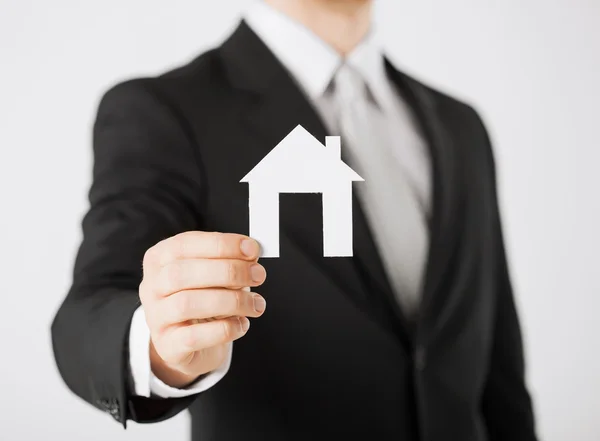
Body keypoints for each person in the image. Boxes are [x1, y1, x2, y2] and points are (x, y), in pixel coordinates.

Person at [51, 0, 538, 440]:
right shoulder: (164, 112)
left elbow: (499, 373)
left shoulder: (461, 128)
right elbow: (86, 315)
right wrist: (159, 342)